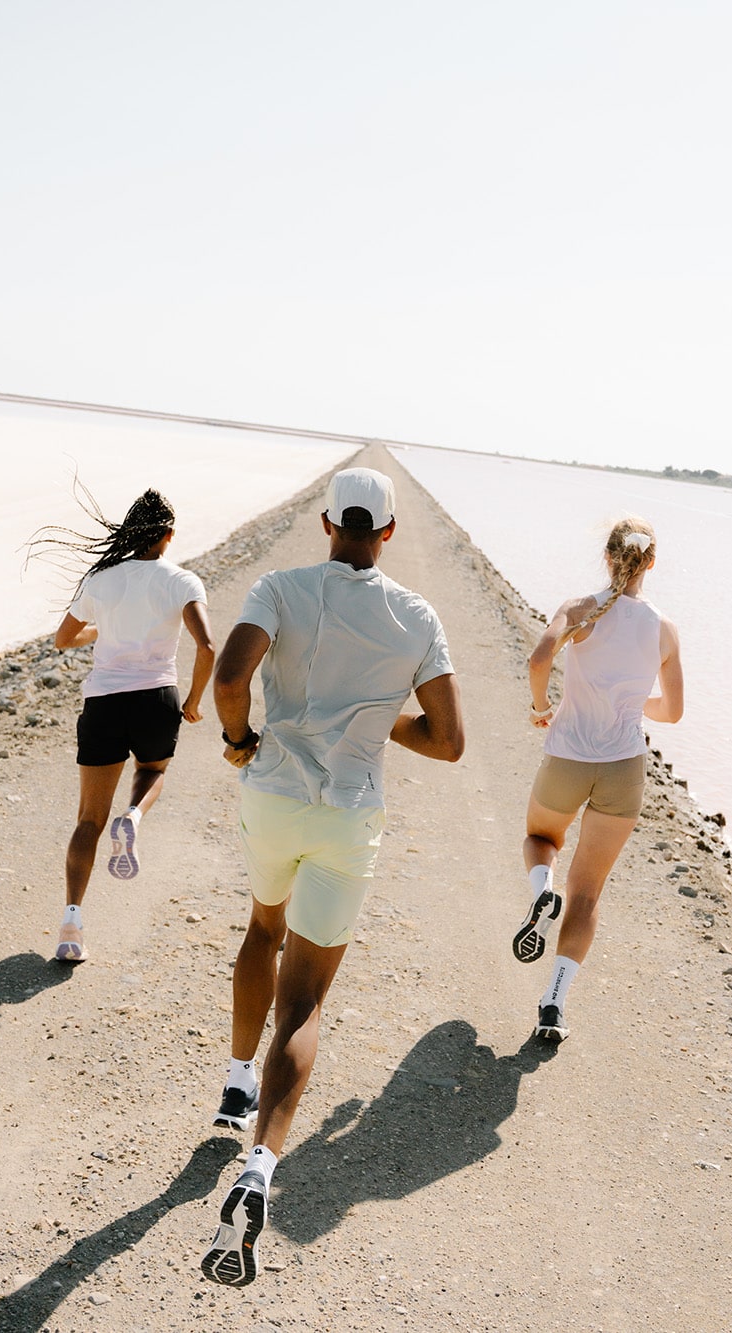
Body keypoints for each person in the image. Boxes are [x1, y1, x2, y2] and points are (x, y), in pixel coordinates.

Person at [198, 466, 464, 1287]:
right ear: (387, 534)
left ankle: (235, 1084)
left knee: (260, 929)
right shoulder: (415, 617)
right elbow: (450, 740)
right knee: (305, 997)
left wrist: (240, 740)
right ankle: (260, 1165)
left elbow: (231, 677)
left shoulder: (280, 586)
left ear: (327, 523)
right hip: (350, 811)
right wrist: (376, 713)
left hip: (274, 792)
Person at [512, 516, 683, 1042]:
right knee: (587, 894)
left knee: (541, 839)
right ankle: (553, 1004)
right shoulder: (664, 629)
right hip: (624, 768)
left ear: (607, 558)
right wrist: (632, 703)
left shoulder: (580, 609)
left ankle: (542, 889)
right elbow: (672, 712)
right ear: (651, 562)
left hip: (568, 756)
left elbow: (540, 658)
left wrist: (542, 707)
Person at [28, 487, 214, 964]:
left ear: (131, 533)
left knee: (88, 820)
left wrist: (103, 629)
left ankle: (71, 927)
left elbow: (63, 639)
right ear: (168, 536)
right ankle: (132, 818)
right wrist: (192, 701)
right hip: (156, 698)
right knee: (152, 773)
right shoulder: (182, 581)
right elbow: (208, 647)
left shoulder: (102, 579)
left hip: (105, 702)